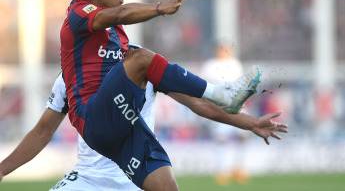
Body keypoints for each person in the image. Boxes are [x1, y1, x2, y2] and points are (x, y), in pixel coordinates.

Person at [59, 0, 278, 190]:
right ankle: (222, 93)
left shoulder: (122, 43)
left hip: (123, 126)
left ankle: (224, 96)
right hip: (92, 118)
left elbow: (195, 102)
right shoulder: (77, 13)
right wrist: (161, 7)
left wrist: (249, 123)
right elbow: (121, 13)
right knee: (141, 58)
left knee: (166, 186)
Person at [0, 67, 288, 190]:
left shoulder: (142, 65)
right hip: (88, 178)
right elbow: (42, 132)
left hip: (136, 182)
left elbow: (200, 105)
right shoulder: (70, 74)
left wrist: (250, 123)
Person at [200, 44, 250, 185]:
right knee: (222, 138)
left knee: (243, 136)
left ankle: (239, 167)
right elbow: (203, 84)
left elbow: (242, 86)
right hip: (218, 105)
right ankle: (223, 170)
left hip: (237, 104)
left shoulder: (235, 64)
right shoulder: (210, 66)